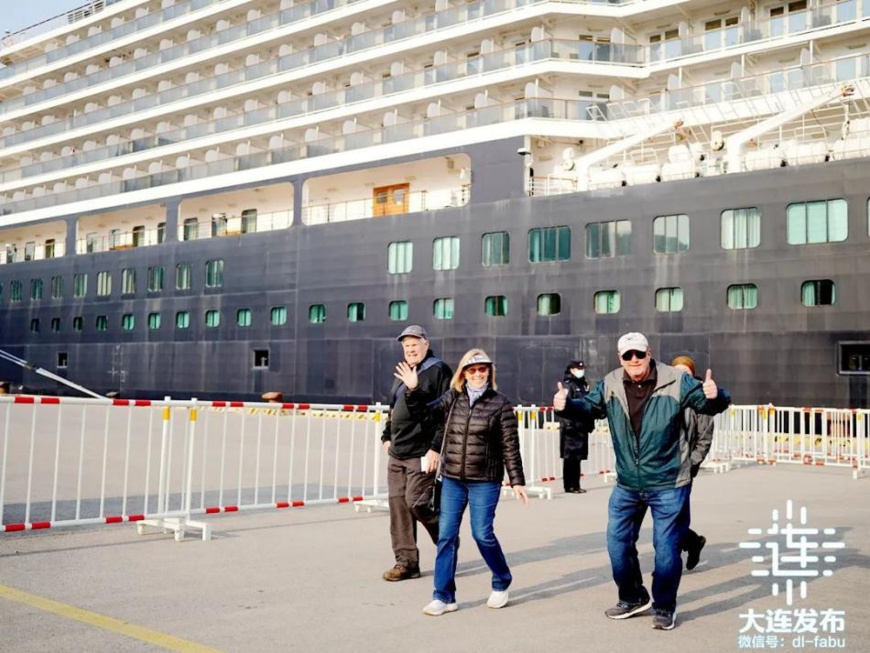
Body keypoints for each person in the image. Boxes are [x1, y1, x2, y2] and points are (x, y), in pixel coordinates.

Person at [554, 333, 730, 631]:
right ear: (620, 358)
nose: (634, 360)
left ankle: (664, 605)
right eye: (627, 356)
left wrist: (716, 396)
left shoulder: (676, 379)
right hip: (627, 484)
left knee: (666, 550)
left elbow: (708, 405)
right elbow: (589, 408)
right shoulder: (610, 383)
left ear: (649, 353)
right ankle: (633, 597)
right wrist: (566, 405)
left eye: (639, 354)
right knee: (617, 545)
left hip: (668, 483)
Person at [395, 349, 528, 616]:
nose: (478, 373)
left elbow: (510, 446)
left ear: (489, 372)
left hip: (485, 480)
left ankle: (501, 580)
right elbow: (425, 415)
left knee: (482, 534)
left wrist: (517, 481)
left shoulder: (500, 403)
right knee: (446, 536)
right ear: (463, 373)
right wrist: (413, 390)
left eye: (482, 369)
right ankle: (444, 596)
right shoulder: (453, 398)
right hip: (453, 479)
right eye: (472, 369)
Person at [380, 325, 453, 582]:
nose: (410, 349)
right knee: (398, 507)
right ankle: (406, 563)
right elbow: (393, 407)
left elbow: (446, 412)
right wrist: (386, 436)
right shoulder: (403, 372)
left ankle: (447, 542)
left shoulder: (438, 370)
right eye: (406, 346)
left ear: (426, 343)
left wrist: (436, 447)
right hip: (397, 452)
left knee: (417, 502)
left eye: (414, 344)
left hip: (421, 452)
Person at [670, 355, 715, 571]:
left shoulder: (700, 399)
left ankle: (669, 563)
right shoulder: (665, 393)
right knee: (665, 517)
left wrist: (691, 463)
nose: (681, 377)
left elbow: (704, 437)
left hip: (684, 467)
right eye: (676, 372)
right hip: (660, 465)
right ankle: (693, 541)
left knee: (674, 515)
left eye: (685, 373)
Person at [556, 360, 592, 494]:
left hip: (581, 427)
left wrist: (589, 423)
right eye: (577, 368)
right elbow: (563, 406)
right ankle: (569, 485)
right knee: (569, 458)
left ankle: (576, 484)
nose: (580, 371)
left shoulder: (582, 384)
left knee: (578, 458)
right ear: (571, 369)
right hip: (571, 427)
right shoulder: (568, 385)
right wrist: (568, 424)